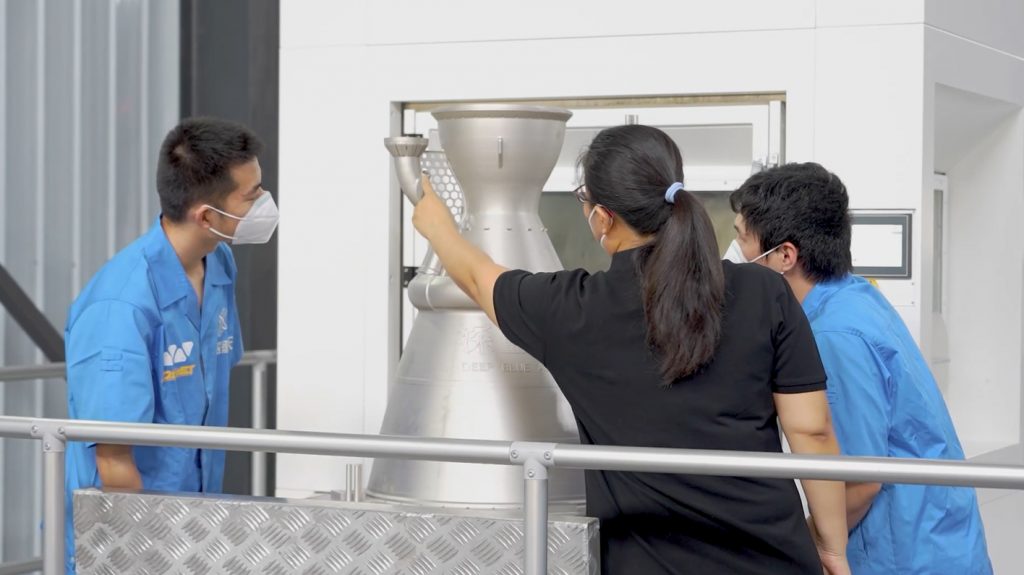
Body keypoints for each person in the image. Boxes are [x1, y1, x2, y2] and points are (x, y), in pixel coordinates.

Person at [412, 124, 849, 574]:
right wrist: (831, 548)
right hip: (773, 560)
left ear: (603, 217)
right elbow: (812, 433)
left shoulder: (571, 310)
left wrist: (438, 228)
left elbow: (478, 278)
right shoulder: (764, 291)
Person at [727, 162, 992, 575]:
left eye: (742, 238)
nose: (734, 253)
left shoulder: (834, 336)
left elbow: (859, 478)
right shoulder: (854, 296)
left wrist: (801, 545)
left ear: (784, 255)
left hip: (905, 556)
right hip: (939, 543)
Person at [63, 117, 278, 572]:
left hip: (195, 523)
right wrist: (141, 554)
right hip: (128, 536)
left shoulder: (218, 263)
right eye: (251, 195)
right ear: (206, 215)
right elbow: (113, 456)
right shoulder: (121, 305)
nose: (264, 203)